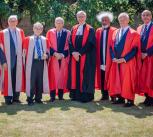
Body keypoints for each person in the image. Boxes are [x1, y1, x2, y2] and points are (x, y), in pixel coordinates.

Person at [107, 12, 139, 107]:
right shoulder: (115, 32)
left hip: (127, 61)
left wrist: (124, 59)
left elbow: (135, 49)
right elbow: (111, 46)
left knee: (127, 80)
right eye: (120, 19)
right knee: (118, 80)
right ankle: (120, 98)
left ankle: (130, 100)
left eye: (124, 19)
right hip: (116, 61)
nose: (122, 20)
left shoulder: (134, 33)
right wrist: (113, 57)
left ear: (128, 20)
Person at [67, 11, 96, 103]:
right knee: (75, 75)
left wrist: (79, 53)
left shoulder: (90, 29)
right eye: (79, 16)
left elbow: (90, 43)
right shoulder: (74, 28)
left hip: (85, 57)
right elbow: (70, 42)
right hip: (75, 56)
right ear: (76, 17)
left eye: (82, 16)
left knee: (85, 76)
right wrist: (73, 53)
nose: (81, 18)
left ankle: (85, 96)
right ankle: (75, 95)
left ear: (85, 17)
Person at [0, 15, 25, 105]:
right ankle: (7, 99)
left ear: (17, 22)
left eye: (14, 20)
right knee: (7, 79)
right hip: (7, 60)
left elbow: (23, 46)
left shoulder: (20, 32)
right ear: (8, 22)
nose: (13, 22)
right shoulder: (3, 33)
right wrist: (3, 61)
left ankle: (16, 98)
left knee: (16, 78)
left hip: (18, 60)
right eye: (11, 20)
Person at [23, 22, 49, 106]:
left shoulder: (45, 40)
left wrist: (47, 55)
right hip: (31, 63)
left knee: (40, 80)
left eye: (40, 28)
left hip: (41, 62)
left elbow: (48, 51)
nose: (38, 30)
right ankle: (30, 98)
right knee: (31, 81)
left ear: (42, 30)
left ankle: (38, 98)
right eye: (36, 28)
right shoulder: (27, 39)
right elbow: (23, 53)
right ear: (33, 29)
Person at [46, 17, 70, 102]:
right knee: (53, 77)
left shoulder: (67, 33)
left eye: (60, 23)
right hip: (53, 58)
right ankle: (52, 96)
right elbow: (48, 44)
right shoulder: (50, 32)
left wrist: (62, 54)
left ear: (63, 24)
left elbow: (69, 46)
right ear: (55, 23)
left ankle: (60, 96)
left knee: (62, 77)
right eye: (57, 22)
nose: (59, 24)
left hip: (63, 58)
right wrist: (54, 53)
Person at [95, 11, 116, 101]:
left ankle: (113, 95)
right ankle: (104, 95)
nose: (104, 22)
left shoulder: (114, 30)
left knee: (111, 77)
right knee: (102, 76)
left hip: (110, 58)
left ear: (109, 21)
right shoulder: (98, 31)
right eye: (103, 20)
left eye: (106, 20)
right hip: (101, 58)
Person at [137, 10, 153, 106]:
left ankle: (151, 98)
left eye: (147, 15)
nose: (145, 17)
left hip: (151, 56)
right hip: (142, 57)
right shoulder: (139, 28)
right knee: (144, 77)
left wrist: (147, 53)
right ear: (141, 17)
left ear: (151, 16)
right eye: (144, 15)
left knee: (151, 77)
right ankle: (147, 97)